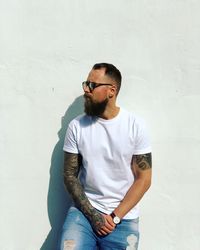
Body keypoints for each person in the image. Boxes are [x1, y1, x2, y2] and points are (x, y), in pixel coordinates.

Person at [60, 63, 152, 250]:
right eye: (85, 84)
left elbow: (144, 179)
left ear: (112, 90)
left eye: (92, 85)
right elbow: (69, 176)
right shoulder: (76, 126)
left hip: (123, 219)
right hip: (83, 215)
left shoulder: (135, 126)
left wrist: (114, 217)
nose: (86, 89)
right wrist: (94, 216)